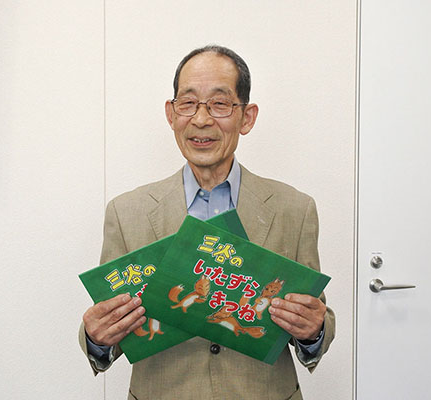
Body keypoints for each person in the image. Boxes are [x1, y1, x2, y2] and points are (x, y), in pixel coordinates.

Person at [79, 45, 335, 400]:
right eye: (188, 103)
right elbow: (112, 327)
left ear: (247, 117)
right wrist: (96, 338)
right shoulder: (126, 212)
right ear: (171, 114)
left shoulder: (294, 209)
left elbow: (314, 320)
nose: (201, 119)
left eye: (219, 104)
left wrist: (314, 331)